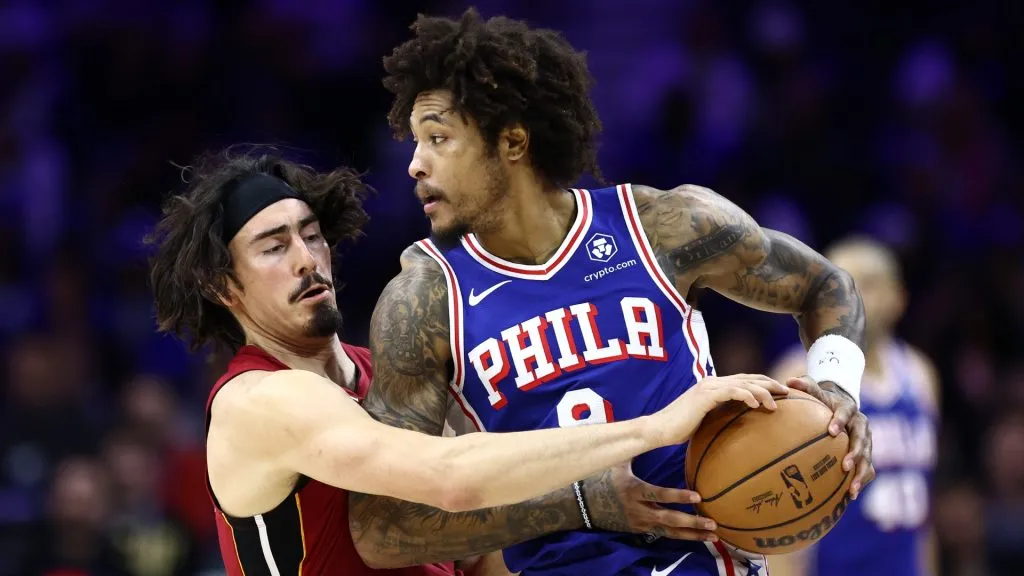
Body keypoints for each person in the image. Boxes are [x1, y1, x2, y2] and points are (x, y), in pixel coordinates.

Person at [351, 9, 876, 576]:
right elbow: (381, 528)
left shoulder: (660, 227)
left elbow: (826, 285)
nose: (414, 165)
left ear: (512, 141)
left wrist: (835, 390)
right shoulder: (423, 301)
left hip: (703, 559)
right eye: (416, 142)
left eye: (438, 138)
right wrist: (579, 503)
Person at [145, 149, 788, 576]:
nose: (306, 259)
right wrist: (654, 430)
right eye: (273, 247)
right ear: (222, 286)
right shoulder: (258, 400)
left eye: (311, 235)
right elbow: (448, 478)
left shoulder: (391, 376)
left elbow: (479, 547)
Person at [768, 237, 940, 576]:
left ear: (898, 298)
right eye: (837, 283)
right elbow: (775, 514)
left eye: (867, 284)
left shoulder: (921, 374)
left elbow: (923, 504)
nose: (851, 296)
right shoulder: (799, 375)